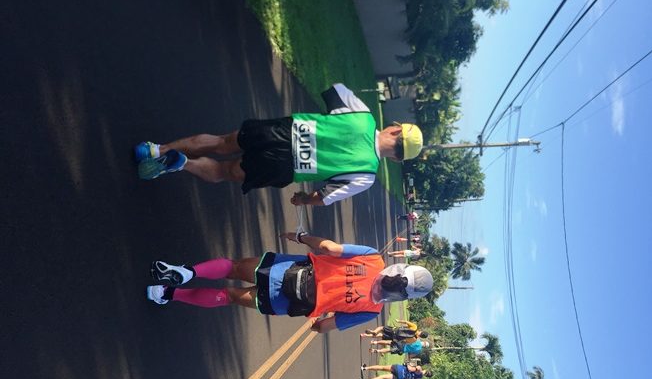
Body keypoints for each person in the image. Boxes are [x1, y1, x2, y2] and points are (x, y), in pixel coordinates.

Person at [134, 83, 424, 206]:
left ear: (396, 130)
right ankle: (183, 164)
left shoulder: (364, 116)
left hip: (287, 130)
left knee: (222, 141)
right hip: (287, 166)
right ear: (396, 159)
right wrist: (304, 199)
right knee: (225, 172)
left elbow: (335, 90)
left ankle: (157, 150)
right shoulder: (367, 176)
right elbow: (325, 197)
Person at [145, 231, 434, 333]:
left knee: (232, 267)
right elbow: (325, 326)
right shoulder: (371, 310)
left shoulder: (373, 258)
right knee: (229, 296)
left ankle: (189, 272)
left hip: (286, 269)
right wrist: (317, 324)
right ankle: (168, 293)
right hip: (286, 302)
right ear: (403, 296)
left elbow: (329, 248)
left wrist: (300, 237)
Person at [359, 319, 428, 344]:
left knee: (381, 328)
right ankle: (365, 335)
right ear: (421, 337)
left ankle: (374, 331)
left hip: (395, 330)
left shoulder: (415, 327)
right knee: (381, 335)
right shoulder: (414, 340)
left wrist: (398, 321)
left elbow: (406, 322)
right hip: (395, 337)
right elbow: (405, 341)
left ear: (421, 331)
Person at [358, 363, 432, 379]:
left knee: (382, 367)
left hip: (400, 369)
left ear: (426, 370)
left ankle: (365, 368)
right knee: (382, 377)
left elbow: (410, 369)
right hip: (400, 377)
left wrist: (407, 364)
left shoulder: (419, 368)